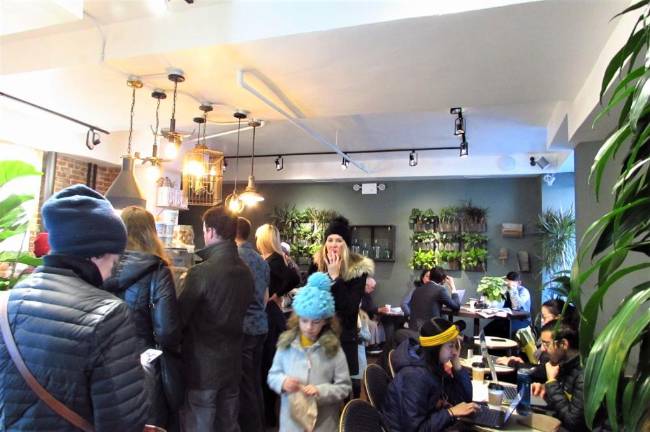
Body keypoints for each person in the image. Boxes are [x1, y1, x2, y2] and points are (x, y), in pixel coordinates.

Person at [0, 184, 148, 431]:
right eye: (114, 259)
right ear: (94, 254)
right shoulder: (109, 314)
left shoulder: (8, 301)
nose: (112, 270)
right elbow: (124, 422)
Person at [104, 206, 182, 430]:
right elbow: (167, 330)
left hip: (105, 362)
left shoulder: (103, 267)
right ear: (151, 233)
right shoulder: (158, 271)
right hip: (146, 366)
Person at [179, 205, 254, 432]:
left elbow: (179, 319)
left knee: (199, 425)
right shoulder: (245, 270)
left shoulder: (201, 272)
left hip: (202, 368)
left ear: (210, 231)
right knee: (228, 425)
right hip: (232, 364)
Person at [267, 272, 351, 432]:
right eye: (304, 320)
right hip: (291, 424)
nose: (309, 327)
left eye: (316, 322)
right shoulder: (286, 344)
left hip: (323, 424)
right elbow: (273, 375)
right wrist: (283, 382)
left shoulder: (333, 349)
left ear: (326, 320)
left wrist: (321, 391)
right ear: (297, 317)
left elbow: (344, 387)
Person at [382, 318, 478, 431]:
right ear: (436, 346)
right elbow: (415, 430)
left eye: (456, 345)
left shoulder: (434, 363)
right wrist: (450, 413)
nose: (455, 352)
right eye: (451, 346)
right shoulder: (415, 376)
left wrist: (456, 364)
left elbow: (464, 400)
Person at [312, 215, 374, 379]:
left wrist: (335, 278)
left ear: (346, 245)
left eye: (338, 240)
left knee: (339, 390)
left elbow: (349, 308)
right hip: (317, 337)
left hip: (343, 338)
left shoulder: (358, 270)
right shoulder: (316, 266)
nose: (333, 245)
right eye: (330, 239)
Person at [256, 223, 300, 427]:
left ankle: (268, 418)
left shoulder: (272, 261)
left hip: (270, 318)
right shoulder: (276, 259)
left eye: (258, 237)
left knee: (267, 365)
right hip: (273, 316)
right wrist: (278, 293)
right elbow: (294, 277)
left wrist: (274, 294)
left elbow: (293, 278)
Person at [235, 217, 270, 432]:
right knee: (255, 381)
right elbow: (265, 297)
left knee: (245, 385)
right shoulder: (261, 260)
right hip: (261, 325)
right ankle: (260, 425)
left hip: (244, 328)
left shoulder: (235, 258)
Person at [531, 320, 586, 430]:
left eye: (546, 344)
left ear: (563, 344)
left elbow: (573, 423)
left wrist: (552, 382)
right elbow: (564, 401)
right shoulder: (565, 364)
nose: (543, 349)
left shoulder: (583, 375)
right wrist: (545, 389)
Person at [408, 267, 461, 331]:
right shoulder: (440, 290)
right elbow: (456, 306)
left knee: (446, 322)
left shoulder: (417, 290)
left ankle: (462, 338)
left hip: (413, 329)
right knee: (461, 324)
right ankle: (465, 339)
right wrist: (453, 287)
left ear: (430, 277)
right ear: (443, 279)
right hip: (430, 332)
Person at [485, 271, 532, 337]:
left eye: (512, 285)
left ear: (519, 283)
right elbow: (497, 306)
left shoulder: (524, 291)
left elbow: (516, 307)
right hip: (505, 319)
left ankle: (506, 347)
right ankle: (485, 347)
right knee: (486, 330)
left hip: (521, 320)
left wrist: (512, 289)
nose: (509, 287)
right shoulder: (504, 289)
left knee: (506, 331)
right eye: (508, 284)